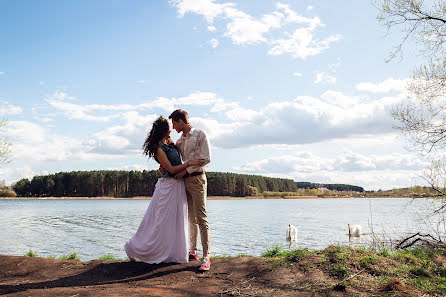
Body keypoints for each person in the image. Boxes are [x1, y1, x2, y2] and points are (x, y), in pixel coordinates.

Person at [124, 116, 204, 264]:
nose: (172, 129)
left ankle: (171, 253)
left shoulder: (171, 144)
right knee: (159, 222)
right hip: (167, 187)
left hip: (178, 186)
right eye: (168, 128)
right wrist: (190, 163)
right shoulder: (159, 149)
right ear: (163, 130)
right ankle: (133, 247)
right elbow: (172, 169)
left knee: (175, 222)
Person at [168, 109, 212, 271]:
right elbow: (176, 160)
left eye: (174, 123)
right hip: (183, 183)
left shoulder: (200, 134)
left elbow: (206, 159)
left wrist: (186, 170)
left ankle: (206, 256)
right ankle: (193, 251)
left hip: (198, 179)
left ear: (180, 121)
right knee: (190, 217)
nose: (173, 127)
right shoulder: (179, 142)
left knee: (201, 217)